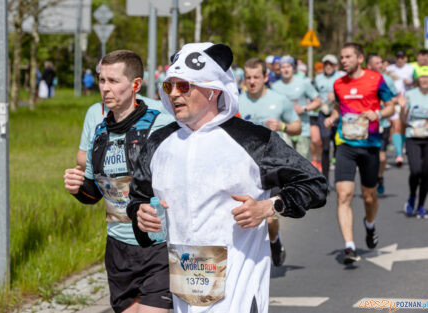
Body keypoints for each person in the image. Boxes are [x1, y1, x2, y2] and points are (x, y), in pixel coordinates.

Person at [127, 42, 327, 313]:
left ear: (211, 89)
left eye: (183, 86)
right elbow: (137, 198)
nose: (174, 94)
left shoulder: (254, 141)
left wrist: (269, 207)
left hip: (239, 291)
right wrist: (141, 215)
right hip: (185, 290)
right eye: (168, 86)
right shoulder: (158, 143)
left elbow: (315, 185)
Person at [64, 50, 174, 313]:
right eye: (102, 80)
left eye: (113, 81)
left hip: (159, 246)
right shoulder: (99, 130)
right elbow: (93, 194)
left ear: (135, 84)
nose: (105, 88)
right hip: (118, 250)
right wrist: (77, 187)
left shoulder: (163, 125)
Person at [324, 43, 395, 264]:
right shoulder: (338, 83)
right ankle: (349, 247)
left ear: (360, 58)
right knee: (343, 195)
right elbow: (339, 106)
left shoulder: (376, 79)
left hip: (370, 144)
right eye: (341, 57)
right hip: (345, 144)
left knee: (368, 196)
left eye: (347, 57)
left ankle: (370, 224)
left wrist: (378, 113)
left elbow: (391, 106)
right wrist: (333, 117)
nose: (343, 60)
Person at [239, 57, 302, 267]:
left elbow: (297, 127)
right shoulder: (237, 101)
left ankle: (274, 240)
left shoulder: (279, 99)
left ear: (266, 77)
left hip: (273, 166)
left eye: (257, 77)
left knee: (270, 219)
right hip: (245, 166)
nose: (252, 81)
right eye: (248, 77)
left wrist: (282, 127)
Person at [272, 55, 321, 160]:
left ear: (293, 68)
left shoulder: (304, 83)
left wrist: (304, 109)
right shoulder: (275, 87)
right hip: (283, 130)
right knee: (286, 162)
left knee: (302, 163)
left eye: (288, 66)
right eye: (283, 67)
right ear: (279, 69)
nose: (285, 69)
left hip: (303, 129)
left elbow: (317, 101)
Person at [366, 53, 399, 195]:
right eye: (377, 63)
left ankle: (379, 177)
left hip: (383, 123)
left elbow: (396, 98)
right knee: (367, 156)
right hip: (366, 125)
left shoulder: (387, 80)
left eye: (381, 63)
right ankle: (369, 181)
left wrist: (387, 104)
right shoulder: (364, 80)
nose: (381, 65)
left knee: (382, 157)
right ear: (369, 66)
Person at [400, 69, 428, 219]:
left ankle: (421, 205)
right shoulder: (410, 95)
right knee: (416, 171)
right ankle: (412, 197)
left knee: (426, 173)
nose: (425, 80)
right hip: (413, 137)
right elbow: (404, 120)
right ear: (418, 80)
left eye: (427, 77)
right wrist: (403, 108)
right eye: (422, 77)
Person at [314, 54, 344, 181]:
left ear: (335, 66)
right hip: (324, 114)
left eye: (331, 64)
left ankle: (339, 178)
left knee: (339, 147)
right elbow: (314, 94)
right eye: (326, 64)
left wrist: (337, 96)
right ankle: (325, 179)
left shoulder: (341, 77)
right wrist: (318, 101)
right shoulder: (318, 78)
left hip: (339, 113)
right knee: (325, 146)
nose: (328, 67)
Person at [386, 51, 414, 167]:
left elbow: (418, 83)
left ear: (406, 58)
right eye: (398, 57)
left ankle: (401, 148)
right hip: (395, 100)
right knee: (396, 125)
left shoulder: (411, 69)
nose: (400, 59)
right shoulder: (390, 68)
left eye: (402, 57)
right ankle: (398, 155)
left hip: (407, 101)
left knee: (403, 127)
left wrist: (410, 83)